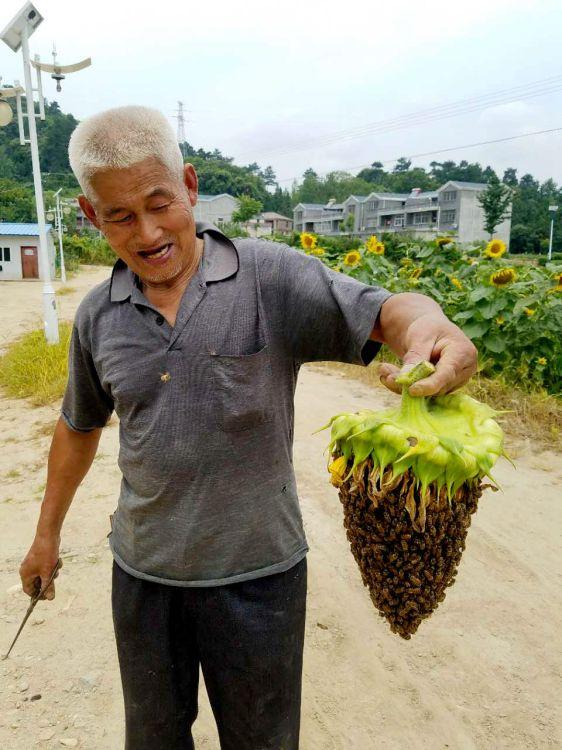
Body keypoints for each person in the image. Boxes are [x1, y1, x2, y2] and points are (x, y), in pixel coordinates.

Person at [19, 106, 477, 749]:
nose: (148, 232)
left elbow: (387, 311)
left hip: (260, 577)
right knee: (152, 739)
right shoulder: (98, 315)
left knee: (262, 741)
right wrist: (46, 536)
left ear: (190, 185)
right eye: (121, 216)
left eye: (160, 203)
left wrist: (431, 328)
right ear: (93, 217)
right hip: (145, 576)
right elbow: (78, 426)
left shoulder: (270, 277)